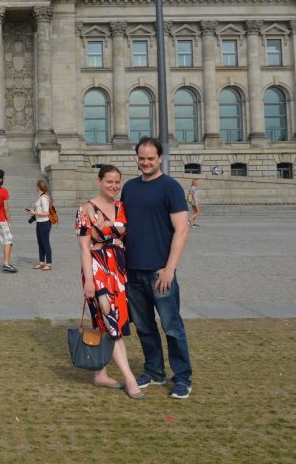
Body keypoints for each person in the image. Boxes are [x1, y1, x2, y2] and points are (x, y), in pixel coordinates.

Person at [121, 137, 193, 399]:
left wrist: (169, 269)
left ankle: (183, 377)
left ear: (160, 158)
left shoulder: (170, 187)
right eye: (142, 158)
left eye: (150, 158)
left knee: (172, 326)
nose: (146, 162)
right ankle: (154, 371)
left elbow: (182, 229)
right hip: (133, 270)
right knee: (144, 327)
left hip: (160, 272)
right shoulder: (129, 188)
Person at [75, 164, 144, 400]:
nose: (113, 186)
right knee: (113, 323)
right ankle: (130, 378)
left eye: (117, 182)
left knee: (105, 321)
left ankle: (100, 374)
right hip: (97, 269)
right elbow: (84, 247)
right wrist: (89, 281)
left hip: (119, 270)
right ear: (98, 181)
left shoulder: (121, 206)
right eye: (109, 182)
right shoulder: (85, 210)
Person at [28, 179, 53, 271]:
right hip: (39, 222)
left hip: (45, 223)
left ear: (39, 187)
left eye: (36, 186)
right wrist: (34, 213)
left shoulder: (43, 198)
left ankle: (49, 263)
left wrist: (34, 213)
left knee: (45, 243)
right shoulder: (41, 197)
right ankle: (41, 262)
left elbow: (46, 213)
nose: (36, 187)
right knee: (40, 243)